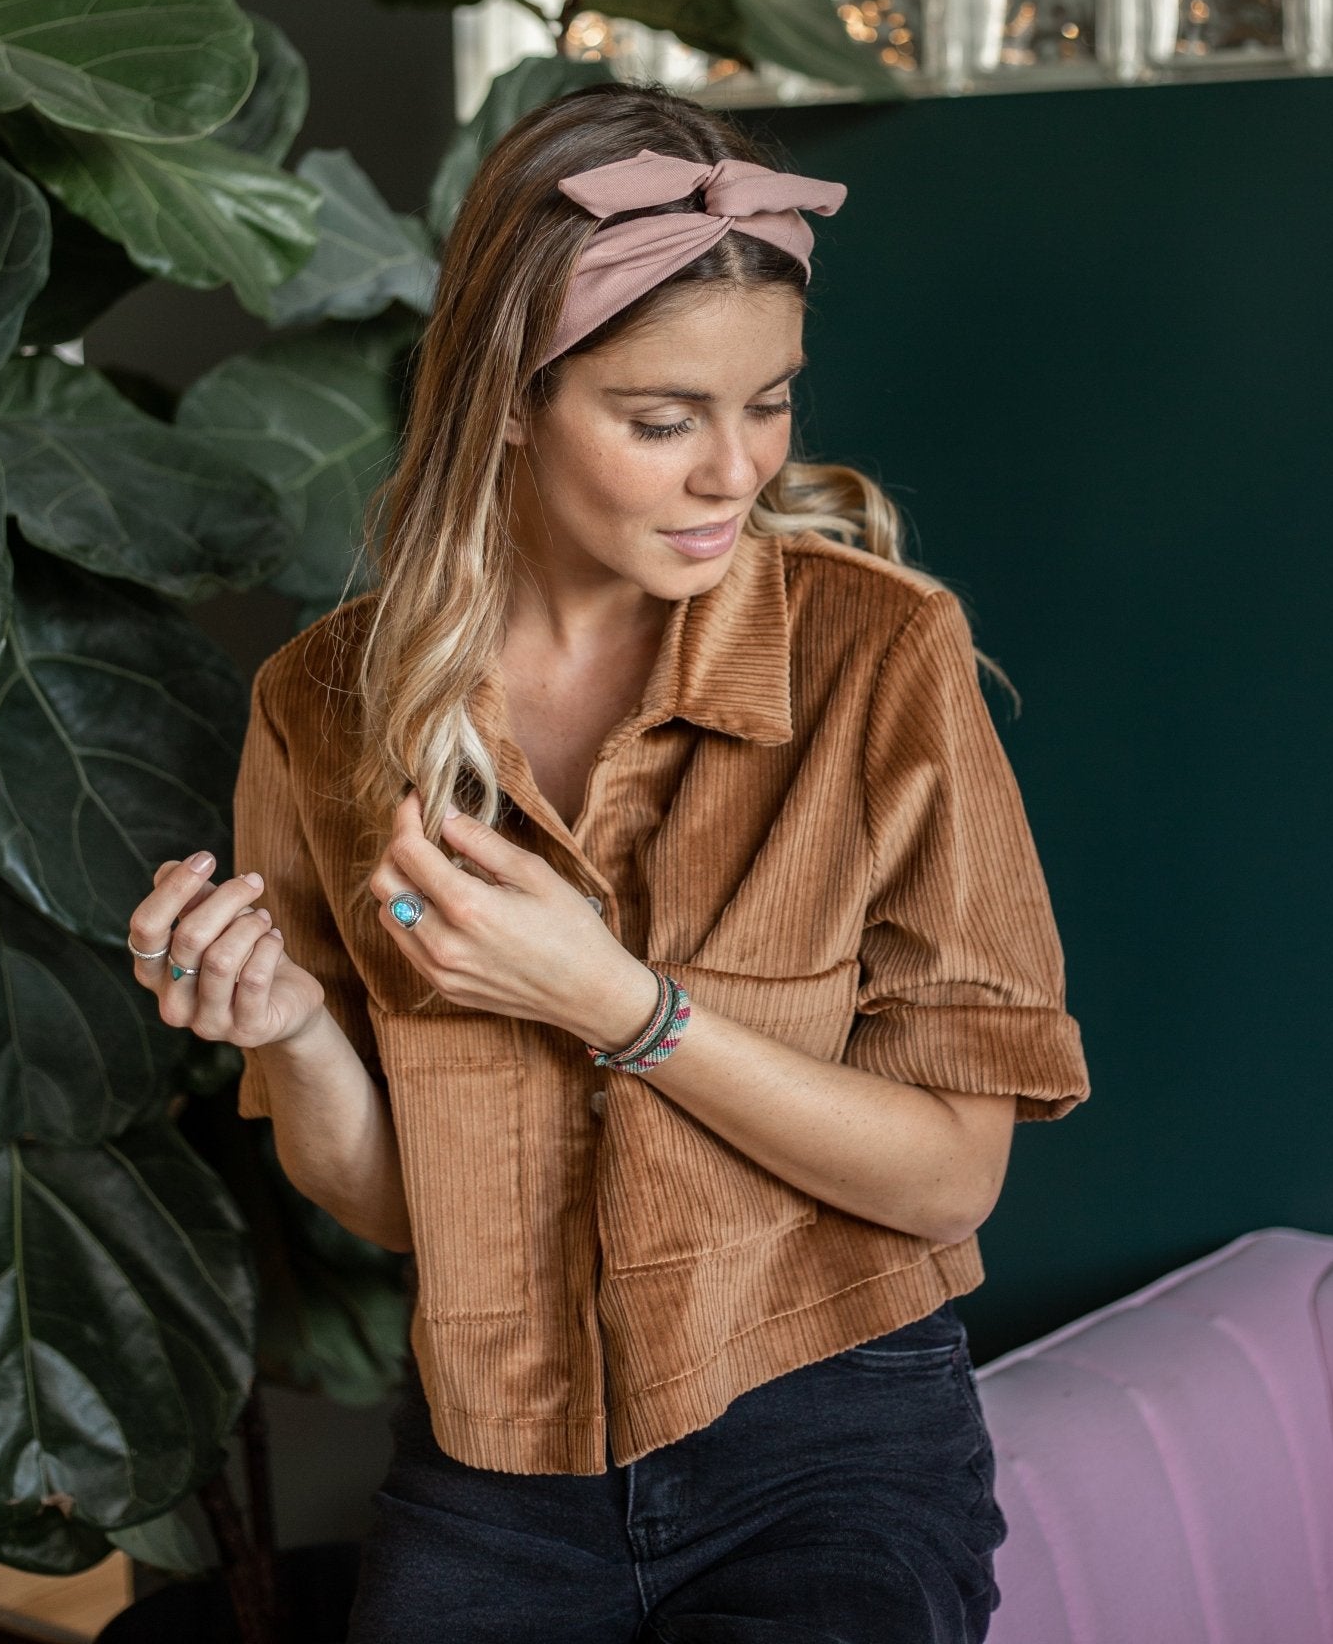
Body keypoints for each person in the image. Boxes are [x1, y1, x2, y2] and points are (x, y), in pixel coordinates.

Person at [126, 81, 1091, 1642]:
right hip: (492, 1468)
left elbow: (950, 1173)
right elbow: (395, 1203)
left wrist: (626, 1007)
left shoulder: (878, 656)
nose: (736, 473)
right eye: (663, 420)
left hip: (825, 1448)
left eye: (769, 401)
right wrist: (293, 1032)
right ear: (508, 395)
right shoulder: (321, 706)